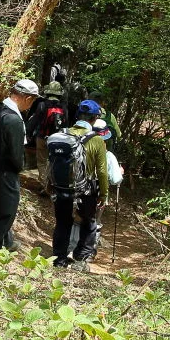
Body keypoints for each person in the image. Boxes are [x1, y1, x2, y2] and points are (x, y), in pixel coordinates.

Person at [0, 79, 40, 251]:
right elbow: (16, 153)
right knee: (7, 212)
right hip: (5, 170)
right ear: (27, 98)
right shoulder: (14, 119)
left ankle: (5, 243)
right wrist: (20, 167)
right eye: (33, 100)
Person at [51, 99, 109, 271]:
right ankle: (80, 259)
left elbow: (52, 162)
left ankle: (59, 259)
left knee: (62, 223)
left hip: (61, 188)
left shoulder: (62, 134)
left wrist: (49, 183)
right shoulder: (97, 140)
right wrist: (104, 193)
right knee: (89, 223)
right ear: (94, 119)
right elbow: (102, 171)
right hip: (86, 190)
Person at [26, 80, 68, 190]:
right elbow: (66, 125)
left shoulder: (42, 105)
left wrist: (28, 133)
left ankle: (44, 184)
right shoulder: (63, 107)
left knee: (42, 161)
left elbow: (34, 121)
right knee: (53, 161)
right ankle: (52, 183)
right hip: (57, 140)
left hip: (42, 137)